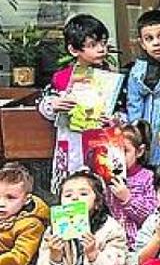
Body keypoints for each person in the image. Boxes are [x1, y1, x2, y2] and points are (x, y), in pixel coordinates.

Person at [15, 171, 131, 265]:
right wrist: (55, 256)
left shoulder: (110, 228)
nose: (75, 198)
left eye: (83, 194)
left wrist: (94, 254)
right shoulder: (54, 230)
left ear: (97, 203)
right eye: (68, 195)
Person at [39, 14, 119, 191]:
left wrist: (114, 119)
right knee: (73, 189)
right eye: (92, 45)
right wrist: (55, 104)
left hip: (102, 143)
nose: (101, 49)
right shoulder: (61, 78)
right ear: (74, 50)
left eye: (103, 43)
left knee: (103, 190)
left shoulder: (112, 78)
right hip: (73, 142)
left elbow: (122, 111)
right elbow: (44, 105)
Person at [124, 9, 160, 166]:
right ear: (142, 43)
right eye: (149, 38)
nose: (156, 43)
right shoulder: (137, 70)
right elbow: (134, 102)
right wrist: (136, 131)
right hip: (147, 127)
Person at [0, 164, 50, 265]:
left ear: (27, 199)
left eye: (11, 198)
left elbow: (19, 258)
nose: (1, 203)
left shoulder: (31, 224)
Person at [103, 121, 158, 248]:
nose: (118, 157)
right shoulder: (104, 178)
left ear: (139, 151)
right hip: (111, 243)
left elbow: (152, 215)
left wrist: (128, 199)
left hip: (139, 243)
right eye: (113, 152)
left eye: (125, 151)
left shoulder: (148, 177)